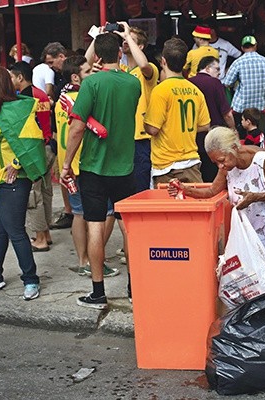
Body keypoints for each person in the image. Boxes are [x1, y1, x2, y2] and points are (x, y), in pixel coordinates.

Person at [61, 32, 140, 309]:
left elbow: (78, 127)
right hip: (125, 167)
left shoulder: (91, 83)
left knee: (95, 226)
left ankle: (98, 292)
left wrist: (67, 163)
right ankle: (134, 288)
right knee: (127, 229)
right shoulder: (133, 84)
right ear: (120, 54)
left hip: (94, 167)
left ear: (97, 57)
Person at [168, 126, 265, 289]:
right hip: (253, 236)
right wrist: (185, 189)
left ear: (234, 148)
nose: (220, 166)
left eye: (222, 160)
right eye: (215, 162)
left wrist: (256, 197)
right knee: (262, 285)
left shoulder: (260, 161)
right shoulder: (227, 167)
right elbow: (212, 190)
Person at [0, 65, 46, 300]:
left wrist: (16, 163)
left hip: (13, 181)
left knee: (15, 231)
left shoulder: (18, 110)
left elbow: (35, 143)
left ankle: (31, 279)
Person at [56, 55, 120, 277]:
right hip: (88, 163)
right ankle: (96, 259)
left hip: (68, 165)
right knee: (109, 211)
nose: (93, 75)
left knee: (78, 213)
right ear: (76, 77)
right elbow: (92, 129)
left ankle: (83, 260)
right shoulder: (86, 98)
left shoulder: (61, 100)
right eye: (87, 72)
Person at [144, 37, 210, 186]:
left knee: (167, 208)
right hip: (191, 163)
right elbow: (205, 125)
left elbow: (153, 129)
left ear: (163, 61)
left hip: (166, 166)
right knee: (192, 208)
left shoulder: (160, 90)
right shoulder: (195, 91)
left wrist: (144, 122)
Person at [9, 61, 55, 252]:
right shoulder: (41, 94)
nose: (10, 80)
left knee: (33, 195)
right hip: (48, 146)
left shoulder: (24, 99)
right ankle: (47, 232)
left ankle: (40, 237)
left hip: (35, 151)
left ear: (20, 77)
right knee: (46, 191)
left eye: (12, 76)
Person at [115, 22, 159, 193]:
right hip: (122, 137)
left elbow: (144, 66)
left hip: (141, 137)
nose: (125, 42)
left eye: (131, 40)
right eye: (124, 40)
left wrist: (127, 36)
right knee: (124, 188)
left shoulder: (149, 69)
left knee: (141, 185)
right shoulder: (122, 70)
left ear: (140, 46)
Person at [189, 55, 235, 181]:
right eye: (217, 69)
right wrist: (233, 129)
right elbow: (227, 113)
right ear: (208, 68)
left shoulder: (188, 83)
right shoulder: (215, 83)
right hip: (214, 136)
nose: (219, 73)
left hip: (192, 137)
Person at [223, 36, 265, 138]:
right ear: (255, 46)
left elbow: (227, 83)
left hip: (243, 109)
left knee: (243, 139)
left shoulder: (238, 62)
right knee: (262, 136)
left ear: (242, 48)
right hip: (261, 108)